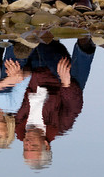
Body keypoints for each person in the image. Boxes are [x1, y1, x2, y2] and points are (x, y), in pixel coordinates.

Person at [11, 39, 96, 169]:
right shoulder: (61, 126)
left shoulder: (17, 124)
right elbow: (74, 106)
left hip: (30, 68)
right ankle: (84, 44)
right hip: (55, 72)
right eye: (33, 147)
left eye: (25, 147)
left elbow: (13, 95)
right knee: (76, 83)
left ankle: (30, 39)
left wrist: (19, 77)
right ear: (46, 145)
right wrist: (66, 83)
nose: (28, 143)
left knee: (9, 74)